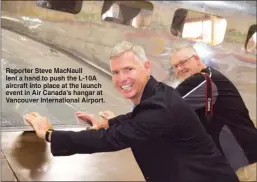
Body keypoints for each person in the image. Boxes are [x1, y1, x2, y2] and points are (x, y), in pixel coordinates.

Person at [24, 41, 239, 182]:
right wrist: (107, 122)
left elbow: (110, 139)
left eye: (128, 69)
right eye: (115, 72)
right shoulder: (157, 96)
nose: (121, 79)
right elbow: (136, 119)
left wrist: (49, 134)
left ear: (146, 67)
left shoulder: (161, 106)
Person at [169, 43, 257, 171]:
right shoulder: (209, 75)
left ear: (197, 59)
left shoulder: (203, 80)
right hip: (240, 159)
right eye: (175, 66)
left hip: (245, 161)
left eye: (183, 63)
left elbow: (165, 104)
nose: (179, 69)